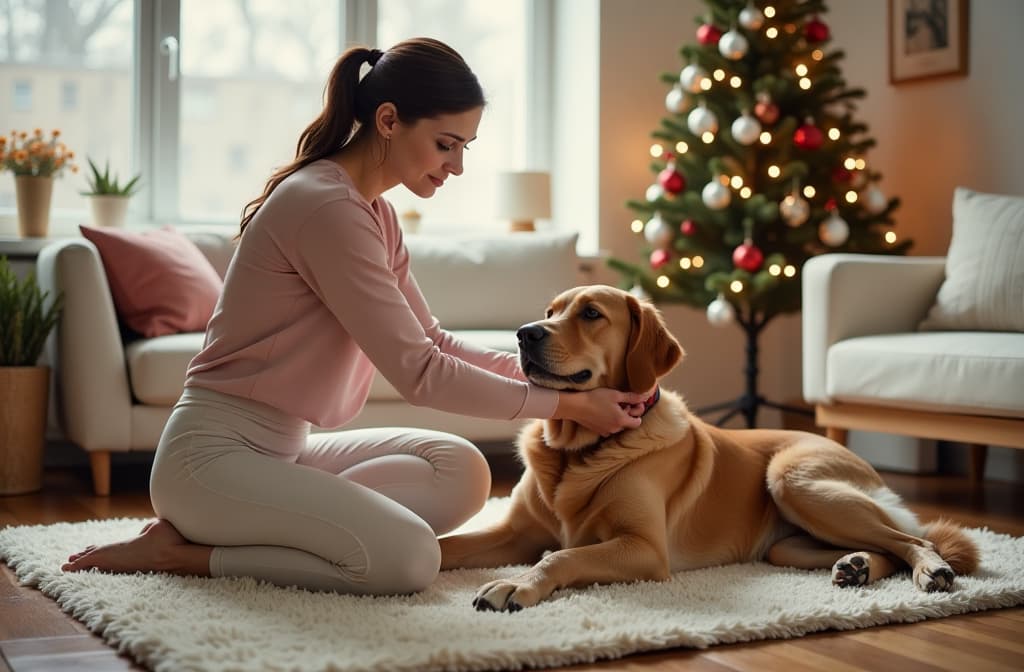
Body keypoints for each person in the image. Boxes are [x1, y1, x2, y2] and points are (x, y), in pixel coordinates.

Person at [61, 38, 651, 595]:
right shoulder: (325, 207)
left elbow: (434, 340)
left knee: (463, 470)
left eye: (464, 148)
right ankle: (184, 551)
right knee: (409, 558)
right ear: (389, 120)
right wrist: (569, 405)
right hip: (213, 459)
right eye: (446, 144)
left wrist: (560, 377)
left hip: (285, 451)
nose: (457, 167)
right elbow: (421, 371)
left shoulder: (375, 213)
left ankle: (256, 520)